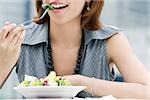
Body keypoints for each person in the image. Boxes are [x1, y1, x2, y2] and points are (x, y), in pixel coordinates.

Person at [0, 0, 150, 99]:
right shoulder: (20, 39)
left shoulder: (111, 39)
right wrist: (4, 61)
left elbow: (146, 92)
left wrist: (80, 82)